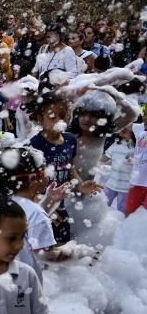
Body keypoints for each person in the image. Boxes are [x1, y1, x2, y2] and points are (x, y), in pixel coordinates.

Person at [0, 147, 71, 282]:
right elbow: (47, 256)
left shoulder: (4, 203)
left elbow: (26, 222)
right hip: (23, 286)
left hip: (0, 280)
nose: (49, 173)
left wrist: (49, 201)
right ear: (34, 179)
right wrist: (80, 252)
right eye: (45, 169)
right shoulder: (37, 214)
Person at [28, 92, 97, 242]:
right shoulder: (35, 145)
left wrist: (81, 185)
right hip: (39, 206)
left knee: (62, 240)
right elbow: (27, 184)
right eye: (52, 117)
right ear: (40, 117)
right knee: (41, 245)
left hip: (60, 204)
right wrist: (44, 206)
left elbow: (69, 168)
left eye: (63, 115)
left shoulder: (70, 140)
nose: (59, 121)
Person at [100, 125, 135, 213]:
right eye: (120, 131)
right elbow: (104, 157)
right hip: (111, 183)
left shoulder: (136, 147)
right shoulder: (116, 144)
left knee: (121, 211)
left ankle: (121, 226)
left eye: (124, 132)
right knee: (102, 206)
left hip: (126, 187)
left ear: (133, 132)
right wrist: (93, 161)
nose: (120, 134)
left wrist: (134, 159)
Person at [124, 120, 147, 216]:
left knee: (144, 218)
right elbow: (121, 123)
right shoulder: (139, 127)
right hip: (137, 180)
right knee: (129, 213)